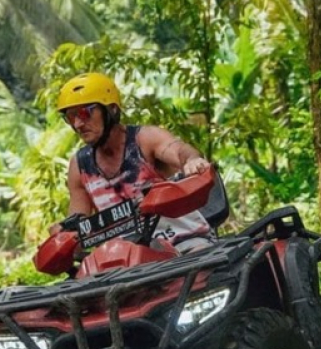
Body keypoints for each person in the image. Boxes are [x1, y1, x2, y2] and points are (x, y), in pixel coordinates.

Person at [56, 72, 215, 253]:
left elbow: (180, 151)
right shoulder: (80, 166)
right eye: (71, 117)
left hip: (185, 243)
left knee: (200, 261)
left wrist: (192, 160)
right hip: (130, 261)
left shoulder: (145, 140)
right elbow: (77, 229)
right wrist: (63, 236)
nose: (77, 124)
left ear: (111, 109)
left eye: (85, 113)